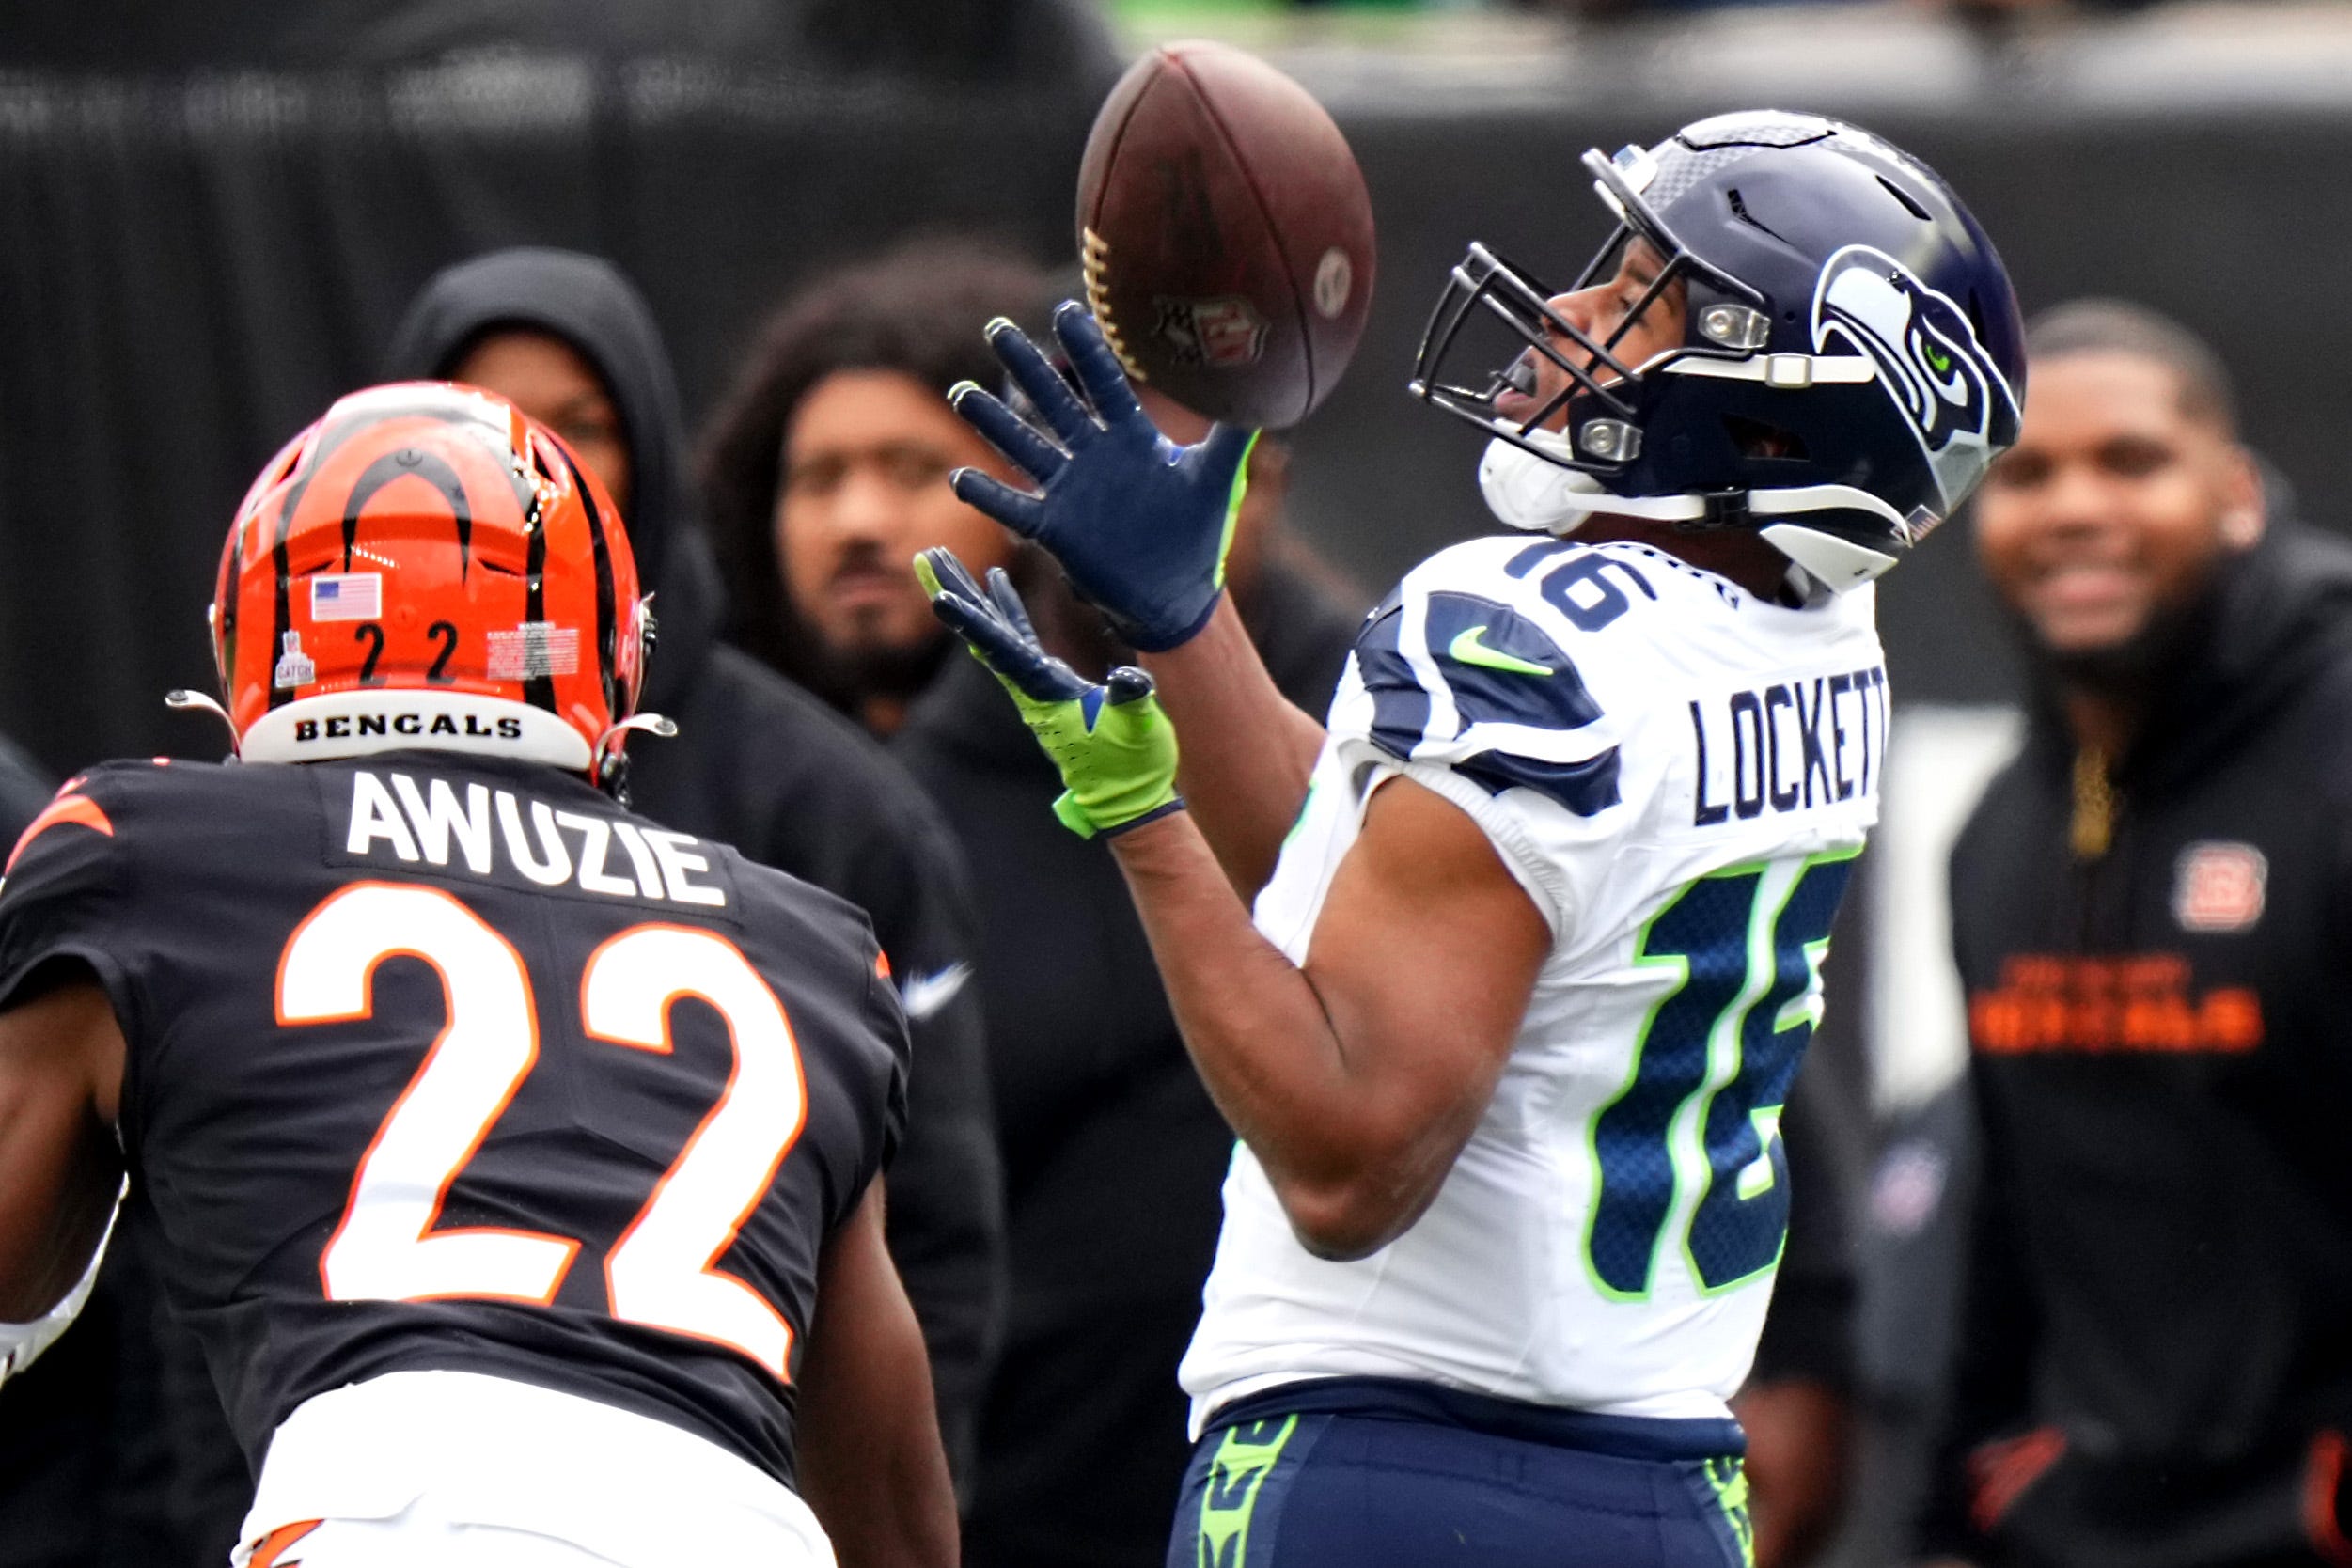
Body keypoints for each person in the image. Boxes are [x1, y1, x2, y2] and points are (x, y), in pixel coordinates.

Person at [924, 109, 2023, 1566]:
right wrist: (1184, 629)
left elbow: (1347, 1169)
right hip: (1665, 1489)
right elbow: (1372, 884)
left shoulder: (1510, 625)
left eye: (1641, 295)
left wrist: (1141, 822)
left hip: (1387, 1469)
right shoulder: (1813, 642)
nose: (1572, 314)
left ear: (1771, 411)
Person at [0, 384, 956, 1567]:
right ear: (609, 648)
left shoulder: (141, 848)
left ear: (254, 633)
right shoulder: (811, 944)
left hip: (389, 1513)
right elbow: (897, 1514)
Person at [699, 239, 1365, 1567]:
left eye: (903, 469)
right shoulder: (861, 821)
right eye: (817, 477)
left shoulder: (1380, 724)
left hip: (1319, 1484)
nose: (858, 523)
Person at [383, 248, 1004, 1494]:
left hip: (721, 1492)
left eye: (578, 427)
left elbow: (931, 1243)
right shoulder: (319, 794)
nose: (525, 468)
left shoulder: (828, 811)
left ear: (651, 461)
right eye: (479, 423)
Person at [1921, 300, 2352, 1568]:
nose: (2071, 509)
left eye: (2129, 462)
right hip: (2076, 1531)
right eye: (2024, 474)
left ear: (2230, 493)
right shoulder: (2001, 827)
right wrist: (1947, 1519)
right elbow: (1999, 1220)